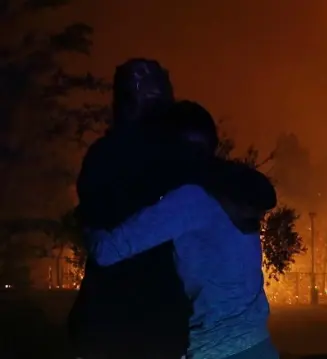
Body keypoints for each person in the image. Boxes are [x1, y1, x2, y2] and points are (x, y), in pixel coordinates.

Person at [85, 100, 279, 359]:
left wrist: (87, 221)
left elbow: (107, 250)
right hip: (258, 346)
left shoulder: (189, 200)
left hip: (219, 350)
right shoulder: (231, 193)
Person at [68, 59, 191, 359]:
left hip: (105, 321)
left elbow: (91, 226)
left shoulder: (101, 155)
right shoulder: (175, 157)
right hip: (156, 322)